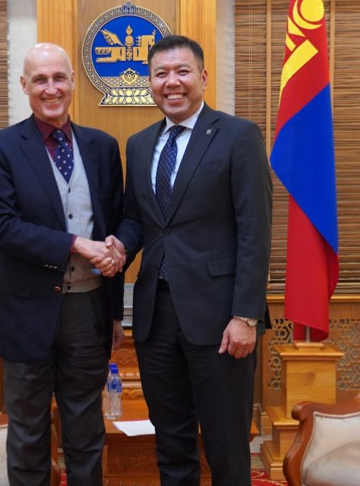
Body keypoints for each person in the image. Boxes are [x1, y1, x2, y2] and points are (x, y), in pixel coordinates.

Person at [115, 34, 272, 486]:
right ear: (149, 82)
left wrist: (245, 315)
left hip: (221, 319)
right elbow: (137, 221)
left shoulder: (238, 136)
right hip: (155, 316)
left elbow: (255, 231)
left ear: (202, 77)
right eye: (161, 74)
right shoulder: (139, 144)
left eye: (182, 72)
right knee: (171, 440)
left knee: (226, 445)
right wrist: (115, 248)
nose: (172, 82)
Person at [0, 42, 126, 486]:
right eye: (40, 80)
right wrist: (76, 244)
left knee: (86, 431)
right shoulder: (1, 148)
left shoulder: (102, 147)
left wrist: (114, 313)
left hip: (89, 311)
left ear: (73, 82)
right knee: (28, 433)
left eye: (59, 77)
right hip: (26, 311)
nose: (51, 88)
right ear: (24, 85)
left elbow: (114, 227)